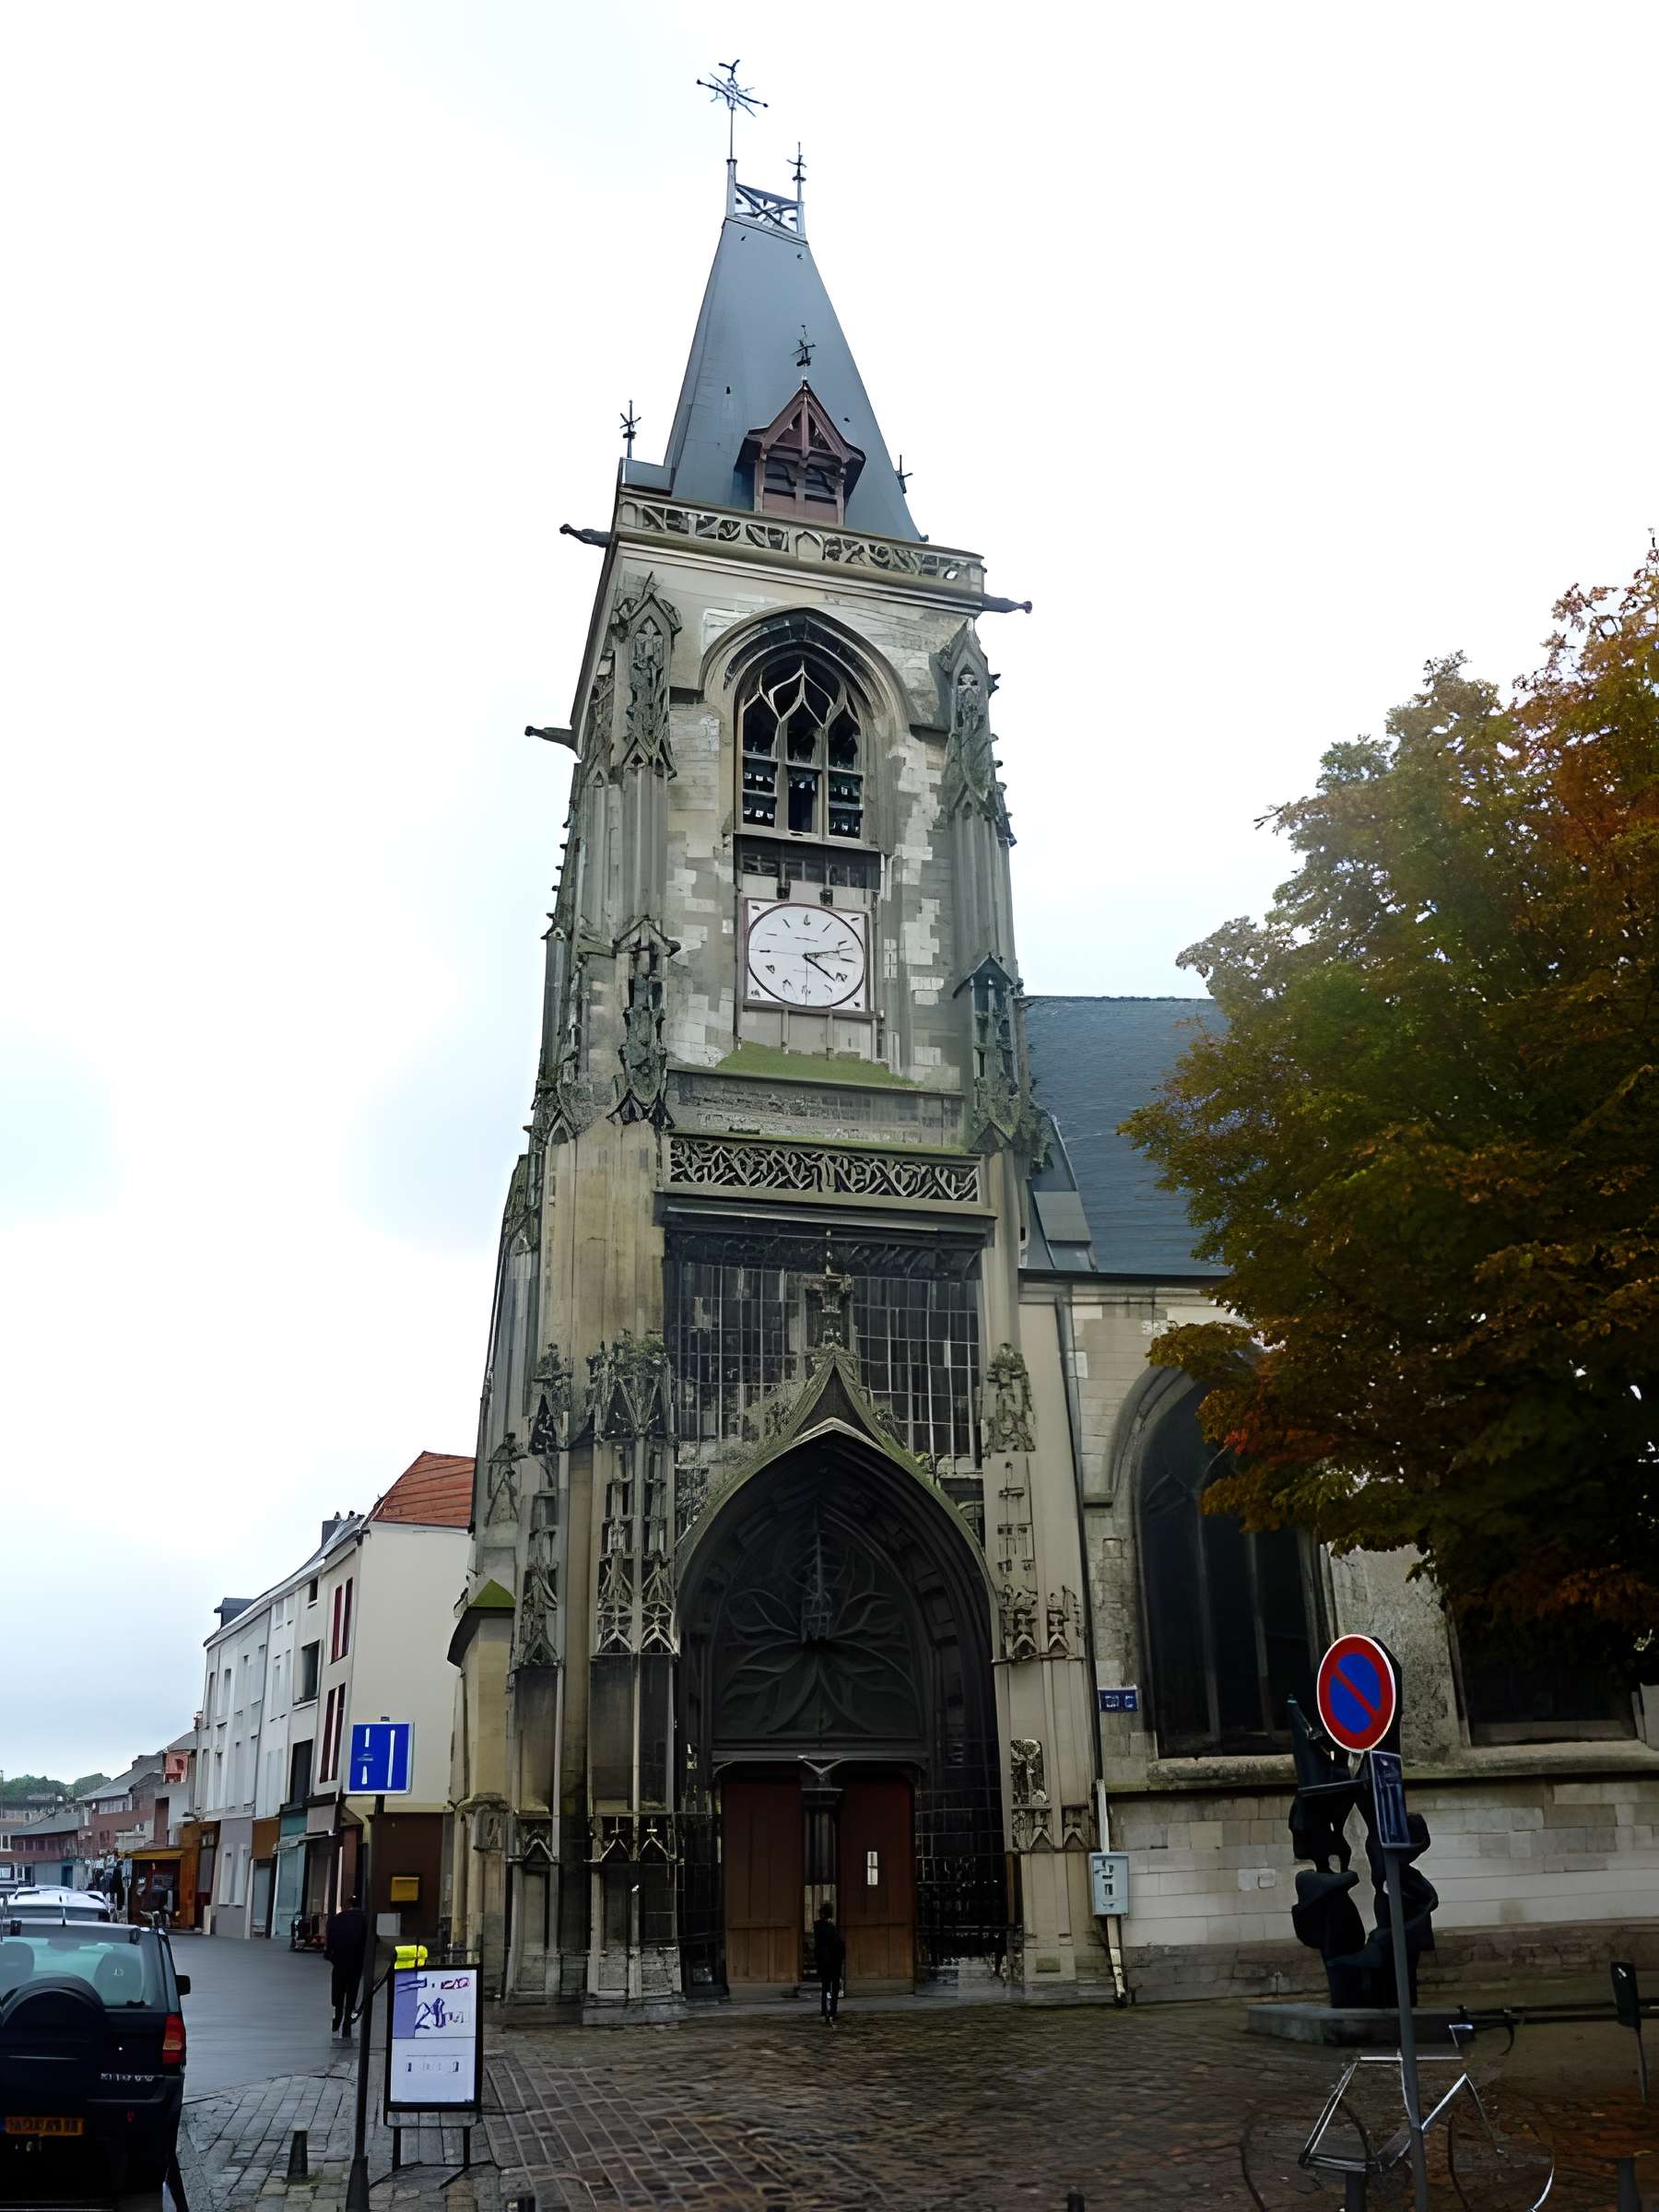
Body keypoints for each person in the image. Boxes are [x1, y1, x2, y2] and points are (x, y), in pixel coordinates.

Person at [324, 1894, 368, 2037]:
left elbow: (329, 1944)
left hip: (339, 1963)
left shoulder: (335, 1920)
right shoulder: (363, 1920)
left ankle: (337, 2017)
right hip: (355, 1963)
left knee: (338, 1991)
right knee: (352, 1993)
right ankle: (347, 2023)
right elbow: (371, 1941)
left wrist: (333, 1957)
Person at [814, 1900, 845, 2026]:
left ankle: (824, 2009)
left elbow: (817, 1946)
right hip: (834, 1960)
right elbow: (839, 1945)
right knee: (834, 1986)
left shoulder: (817, 1927)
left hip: (823, 1960)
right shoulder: (832, 1928)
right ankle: (832, 2010)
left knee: (825, 1986)